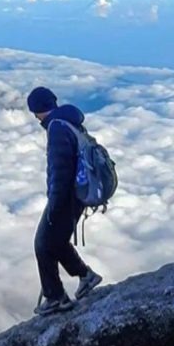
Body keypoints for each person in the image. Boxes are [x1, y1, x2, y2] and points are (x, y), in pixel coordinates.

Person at [27, 86, 103, 315]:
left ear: (38, 110)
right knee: (57, 242)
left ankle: (56, 297)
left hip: (67, 197)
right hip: (77, 195)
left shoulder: (57, 128)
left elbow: (60, 170)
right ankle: (86, 276)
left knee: (42, 243)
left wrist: (55, 204)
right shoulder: (68, 121)